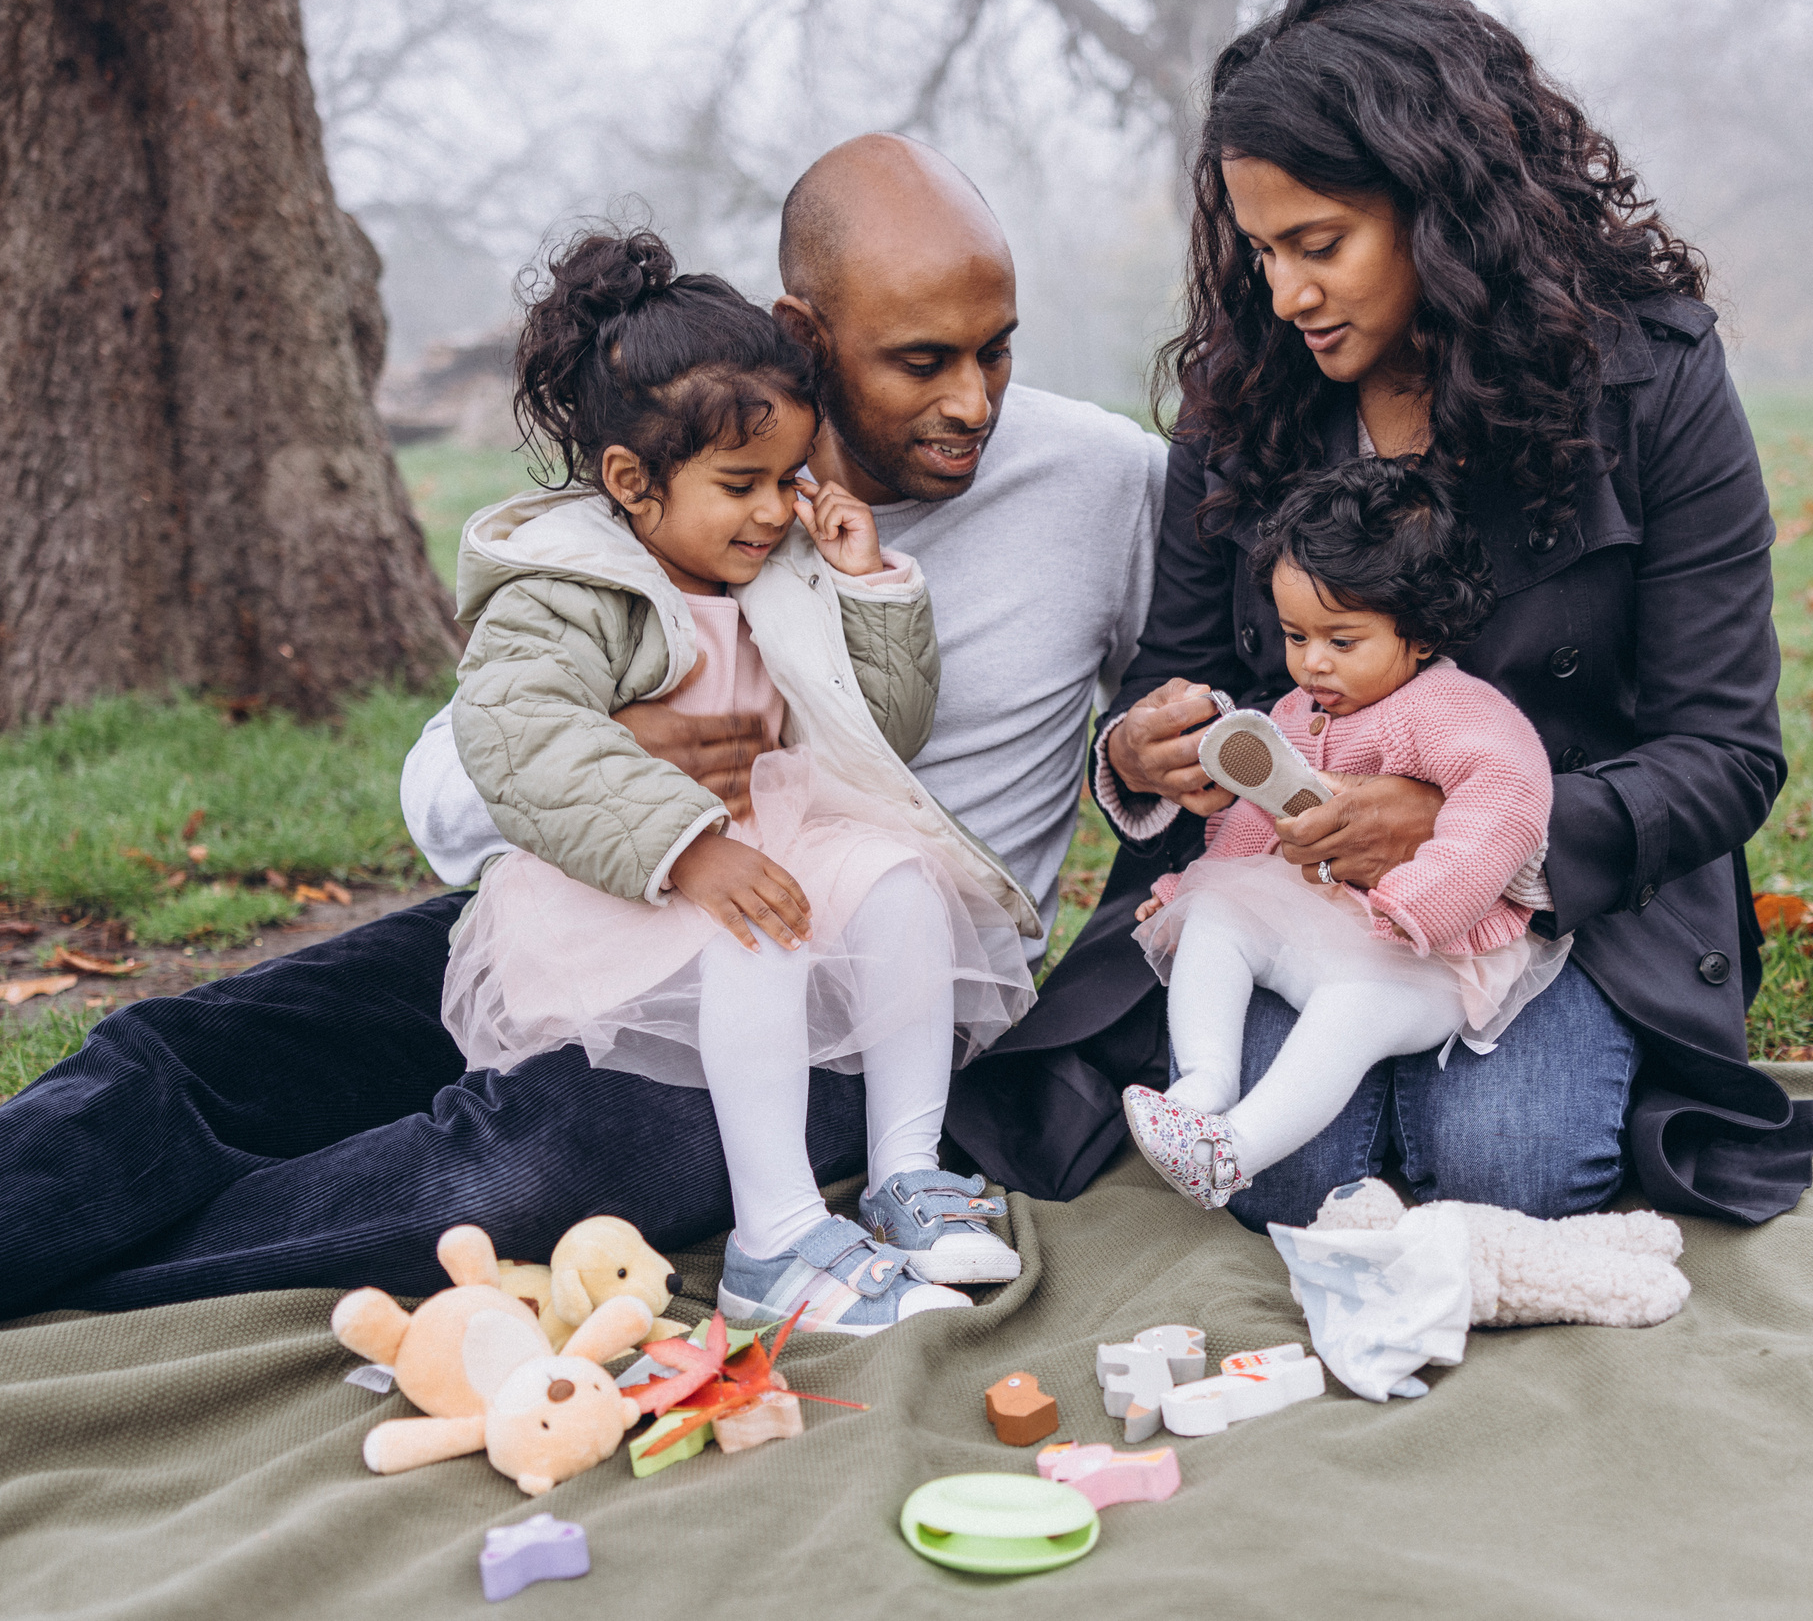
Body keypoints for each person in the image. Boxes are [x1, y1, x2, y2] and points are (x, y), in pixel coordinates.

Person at [0, 135, 1163, 1320]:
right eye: (922, 362)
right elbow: (461, 776)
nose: (973, 400)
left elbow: (1271, 666)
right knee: (211, 1049)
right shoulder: (673, 478)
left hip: (857, 1019)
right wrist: (633, 751)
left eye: (998, 350)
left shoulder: (1106, 481)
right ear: (805, 335)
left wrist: (1139, 755)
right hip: (596, 914)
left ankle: (104, 1277)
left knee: (511, 1166)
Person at [963, 0, 1813, 1230]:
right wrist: (1146, 749)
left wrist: (1476, 829)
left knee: (1509, 1163)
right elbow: (1180, 665)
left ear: (1448, 213)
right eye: (1260, 250)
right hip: (1293, 882)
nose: (1285, 294)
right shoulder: (1244, 394)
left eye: (1321, 245)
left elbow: (1726, 751)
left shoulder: (1653, 385)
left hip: (1568, 897)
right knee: (1290, 1176)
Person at [444, 224, 1037, 1331]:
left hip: (770, 840)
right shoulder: (571, 587)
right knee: (757, 932)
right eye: (740, 483)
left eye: (788, 480)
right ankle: (775, 1244)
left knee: (905, 885)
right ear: (632, 479)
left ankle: (909, 1173)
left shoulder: (785, 562)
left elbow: (881, 731)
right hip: (632, 874)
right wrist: (687, 846)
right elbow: (517, 736)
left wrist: (866, 587)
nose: (775, 511)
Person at [1117, 456, 1571, 1208]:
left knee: (1352, 1011)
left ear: (1421, 632)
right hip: (1323, 923)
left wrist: (1422, 903)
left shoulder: (1450, 709)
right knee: (1221, 917)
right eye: (1296, 636)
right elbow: (1251, 825)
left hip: (1425, 956)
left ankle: (1232, 1151)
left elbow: (1507, 800)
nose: (1312, 663)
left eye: (1342, 640)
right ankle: (1200, 1086)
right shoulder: (1301, 714)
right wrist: (1187, 894)